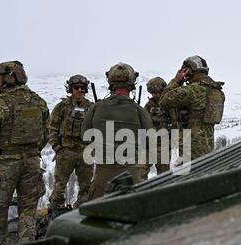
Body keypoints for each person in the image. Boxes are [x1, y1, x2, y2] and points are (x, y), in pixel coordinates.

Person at [0, 61, 49, 245]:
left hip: (5, 165)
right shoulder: (39, 102)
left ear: (9, 78)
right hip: (32, 164)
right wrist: (32, 152)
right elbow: (46, 133)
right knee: (28, 211)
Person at [81, 63, 153, 200]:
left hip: (103, 174)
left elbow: (85, 137)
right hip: (131, 174)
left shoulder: (96, 108)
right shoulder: (139, 111)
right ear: (132, 83)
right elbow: (149, 141)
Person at [159, 55, 225, 160]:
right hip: (207, 145)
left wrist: (176, 81)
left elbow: (164, 101)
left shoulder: (192, 91)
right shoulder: (217, 91)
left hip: (190, 148)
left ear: (190, 70)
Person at [48, 75, 94, 211]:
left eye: (83, 88)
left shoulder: (91, 107)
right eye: (76, 88)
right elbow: (52, 128)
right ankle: (56, 210)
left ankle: (82, 210)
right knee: (60, 185)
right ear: (70, 89)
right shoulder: (62, 107)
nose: (79, 90)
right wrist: (57, 147)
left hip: (85, 152)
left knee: (86, 186)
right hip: (66, 152)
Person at [144, 77, 173, 175]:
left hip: (164, 145)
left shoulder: (170, 104)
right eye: (152, 93)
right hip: (150, 144)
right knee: (141, 171)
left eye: (156, 92)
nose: (154, 95)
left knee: (164, 174)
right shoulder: (149, 105)